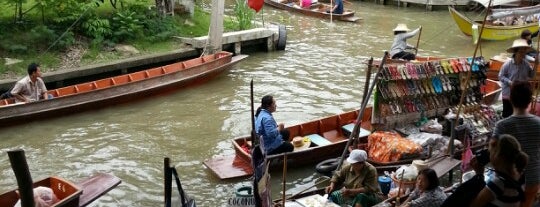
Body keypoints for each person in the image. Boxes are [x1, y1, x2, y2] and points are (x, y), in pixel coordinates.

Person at [492, 81, 540, 207]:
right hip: (533, 177)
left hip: (508, 180)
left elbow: (492, 155)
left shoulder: (501, 126)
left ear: (511, 99)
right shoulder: (538, 123)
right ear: (530, 101)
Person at [471, 134, 528, 207]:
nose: (488, 154)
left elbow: (474, 204)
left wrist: (479, 174)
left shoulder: (498, 184)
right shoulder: (521, 173)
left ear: (497, 157)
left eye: (490, 152)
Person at [499, 39, 536, 118]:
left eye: (524, 52)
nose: (523, 54)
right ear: (515, 52)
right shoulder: (507, 64)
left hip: (520, 95)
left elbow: (532, 75)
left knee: (519, 116)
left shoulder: (526, 64)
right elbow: (501, 76)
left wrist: (536, 65)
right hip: (508, 94)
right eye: (521, 52)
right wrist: (510, 82)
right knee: (507, 115)